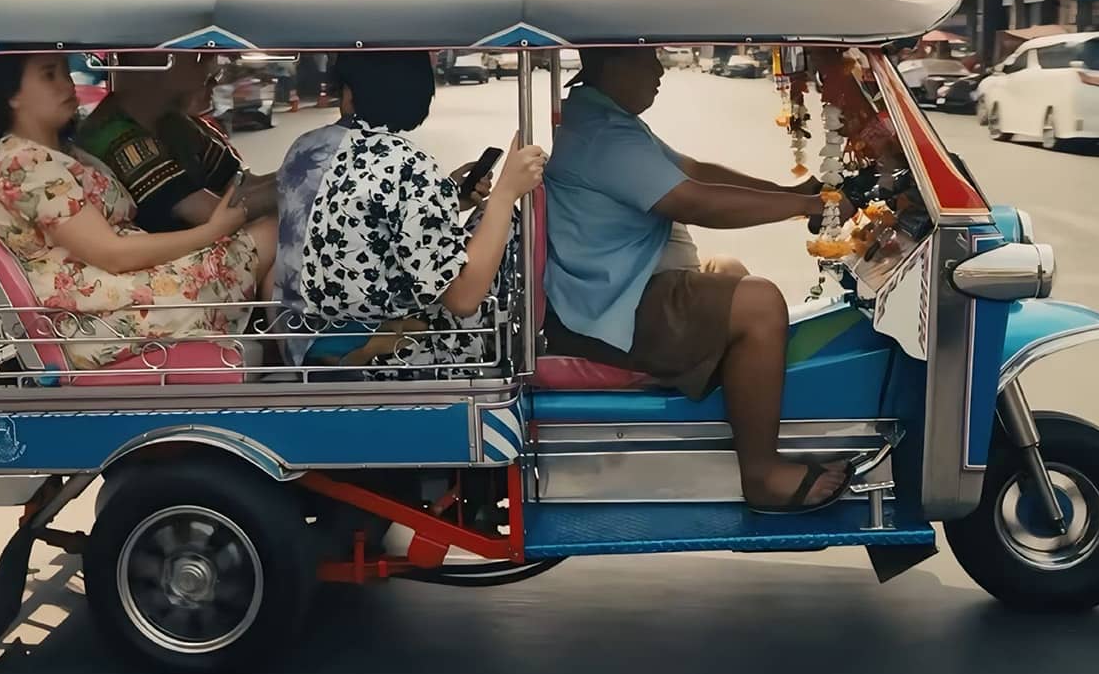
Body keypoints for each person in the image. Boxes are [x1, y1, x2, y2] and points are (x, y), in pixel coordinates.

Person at [544, 47, 853, 514]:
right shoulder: (603, 136)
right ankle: (762, 475)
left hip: (614, 295)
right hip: (609, 317)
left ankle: (749, 424)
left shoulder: (606, 121)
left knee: (727, 270)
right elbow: (695, 201)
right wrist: (809, 207)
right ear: (608, 67)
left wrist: (792, 193)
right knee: (760, 303)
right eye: (646, 59)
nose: (658, 70)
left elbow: (693, 171)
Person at [0, 53, 272, 372]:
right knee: (269, 233)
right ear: (12, 94)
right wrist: (212, 232)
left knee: (269, 230)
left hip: (123, 295)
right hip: (109, 317)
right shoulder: (23, 164)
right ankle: (305, 364)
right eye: (49, 75)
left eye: (66, 72)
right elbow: (113, 253)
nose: (67, 83)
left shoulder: (61, 152)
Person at [286, 52, 541, 375]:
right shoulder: (409, 167)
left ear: (349, 96)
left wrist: (446, 195)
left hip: (308, 331)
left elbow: (368, 219)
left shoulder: (322, 148)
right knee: (503, 221)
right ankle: (496, 360)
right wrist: (506, 193)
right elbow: (462, 299)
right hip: (379, 352)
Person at [76, 52, 277, 235]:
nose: (214, 66)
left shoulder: (172, 123)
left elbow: (236, 181)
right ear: (154, 63)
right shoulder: (114, 136)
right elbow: (211, 213)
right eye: (199, 56)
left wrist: (292, 177)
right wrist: (291, 186)